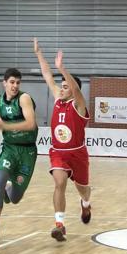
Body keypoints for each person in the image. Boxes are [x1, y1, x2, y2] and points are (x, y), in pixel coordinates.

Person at [35, 38, 92, 242]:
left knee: (83, 189)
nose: (62, 88)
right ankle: (59, 224)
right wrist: (39, 53)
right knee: (59, 183)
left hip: (78, 153)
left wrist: (63, 68)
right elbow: (47, 75)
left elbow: (76, 90)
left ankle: (85, 203)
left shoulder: (80, 105)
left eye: (66, 86)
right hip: (58, 152)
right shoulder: (58, 99)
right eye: (62, 85)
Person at [0, 68, 38, 244]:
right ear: (4, 83)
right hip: (9, 148)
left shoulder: (24, 98)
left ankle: (9, 189)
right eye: (12, 82)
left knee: (15, 198)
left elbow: (30, 124)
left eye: (18, 83)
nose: (15, 86)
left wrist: (3, 125)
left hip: (27, 151)